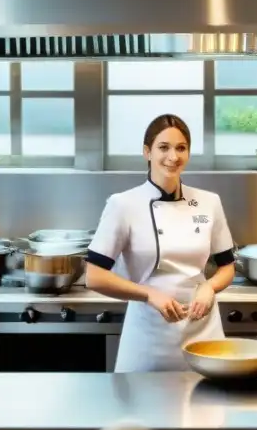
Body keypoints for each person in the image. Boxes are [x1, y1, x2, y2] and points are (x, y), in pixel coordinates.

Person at [85, 114, 237, 372]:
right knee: (143, 409)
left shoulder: (209, 202)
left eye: (181, 148)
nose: (173, 157)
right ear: (147, 152)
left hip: (202, 331)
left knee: (204, 408)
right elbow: (94, 276)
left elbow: (227, 267)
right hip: (148, 334)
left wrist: (209, 287)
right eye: (163, 147)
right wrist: (149, 294)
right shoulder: (123, 204)